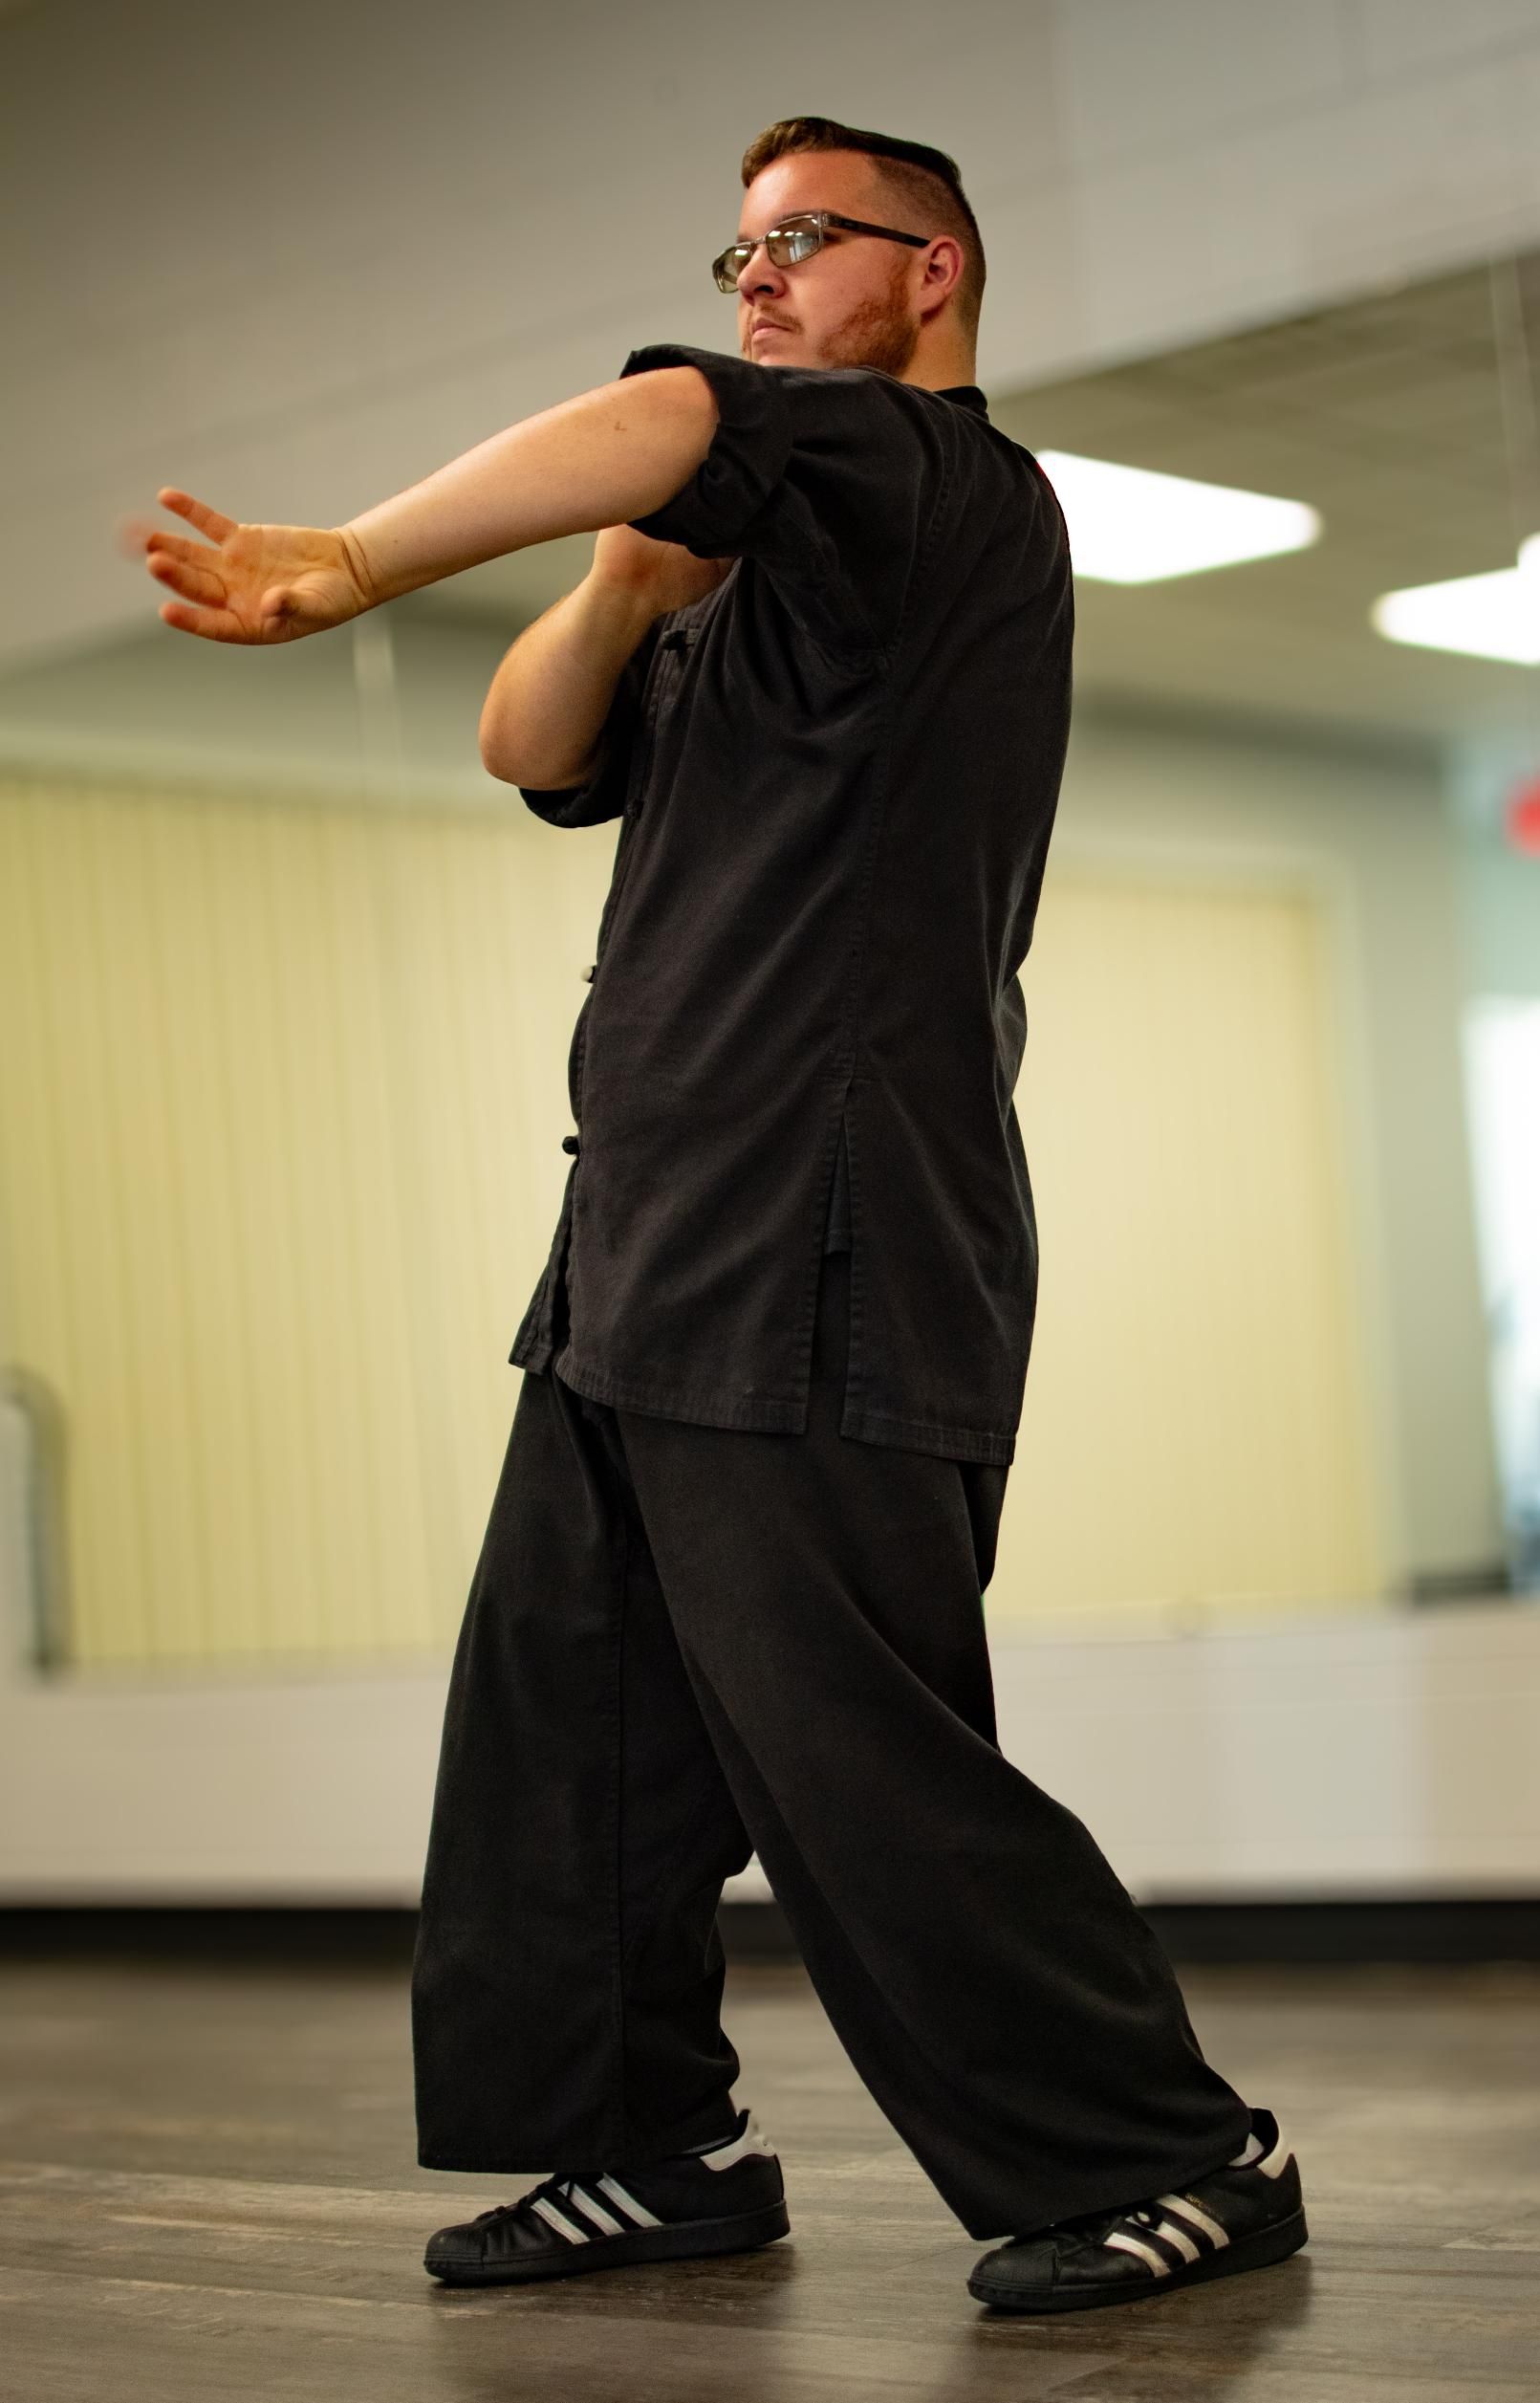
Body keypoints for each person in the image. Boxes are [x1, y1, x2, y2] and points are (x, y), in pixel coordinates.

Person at [134, 113, 1308, 2317]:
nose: (757, 275)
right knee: (564, 1725)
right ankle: (631, 2150)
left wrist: (359, 560)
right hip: (642, 1238)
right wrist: (616, 582)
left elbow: (668, 407)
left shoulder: (931, 481)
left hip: (825, 1226)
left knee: (844, 1734)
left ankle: (1175, 2155)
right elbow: (526, 746)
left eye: (801, 241)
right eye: (737, 243)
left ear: (932, 274)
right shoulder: (767, 584)